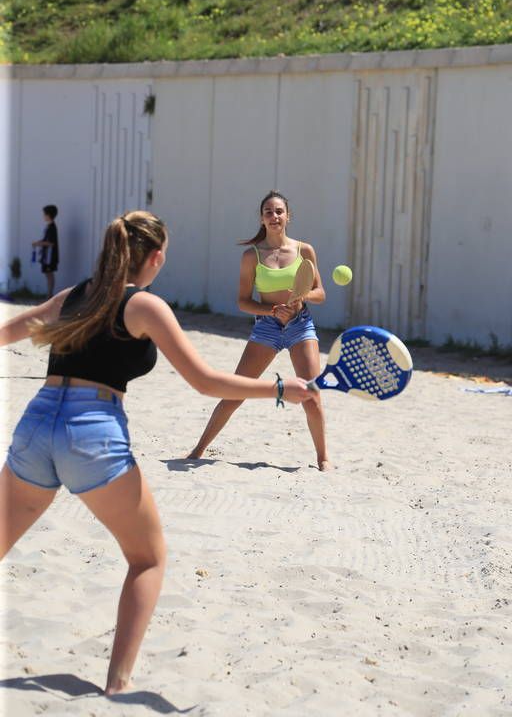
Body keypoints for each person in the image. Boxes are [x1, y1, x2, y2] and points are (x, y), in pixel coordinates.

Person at [0, 210, 316, 696]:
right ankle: (116, 687)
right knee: (147, 559)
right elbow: (204, 381)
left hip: (36, 424)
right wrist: (278, 387)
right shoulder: (144, 305)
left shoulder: (75, 296)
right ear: (155, 257)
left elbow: (8, 331)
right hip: (92, 430)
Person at [189, 190, 331, 471]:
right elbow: (243, 302)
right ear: (262, 219)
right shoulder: (251, 256)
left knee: (311, 394)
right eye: (269, 212)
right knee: (236, 392)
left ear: (288, 216)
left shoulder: (305, 251)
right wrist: (270, 311)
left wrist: (303, 298)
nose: (274, 216)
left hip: (300, 325)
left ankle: (323, 459)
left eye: (279, 211)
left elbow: (320, 292)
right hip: (267, 328)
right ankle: (198, 450)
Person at [32, 204, 59, 299]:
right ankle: (49, 294)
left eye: (44, 214)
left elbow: (50, 243)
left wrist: (39, 244)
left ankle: (50, 295)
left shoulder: (52, 227)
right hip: (46, 256)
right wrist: (37, 243)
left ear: (48, 215)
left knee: (50, 274)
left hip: (50, 257)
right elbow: (45, 239)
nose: (43, 216)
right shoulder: (48, 227)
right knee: (48, 275)